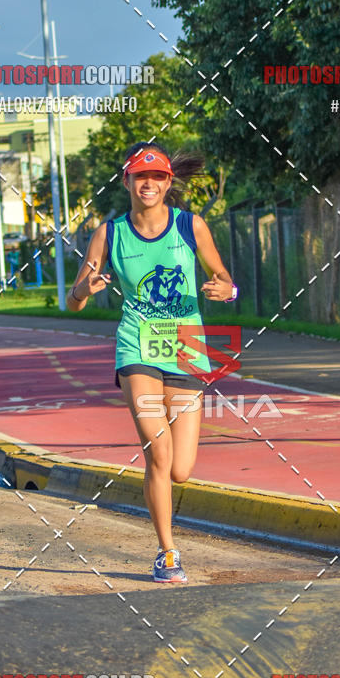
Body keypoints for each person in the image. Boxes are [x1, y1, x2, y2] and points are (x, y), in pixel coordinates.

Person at [67, 142, 237, 583]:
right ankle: (167, 553)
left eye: (158, 177)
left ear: (168, 182)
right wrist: (87, 288)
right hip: (137, 347)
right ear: (126, 181)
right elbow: (74, 300)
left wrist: (226, 291)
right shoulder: (109, 233)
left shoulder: (190, 225)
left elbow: (223, 278)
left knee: (180, 471)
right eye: (141, 177)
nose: (149, 184)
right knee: (157, 453)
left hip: (185, 347)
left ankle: (166, 532)